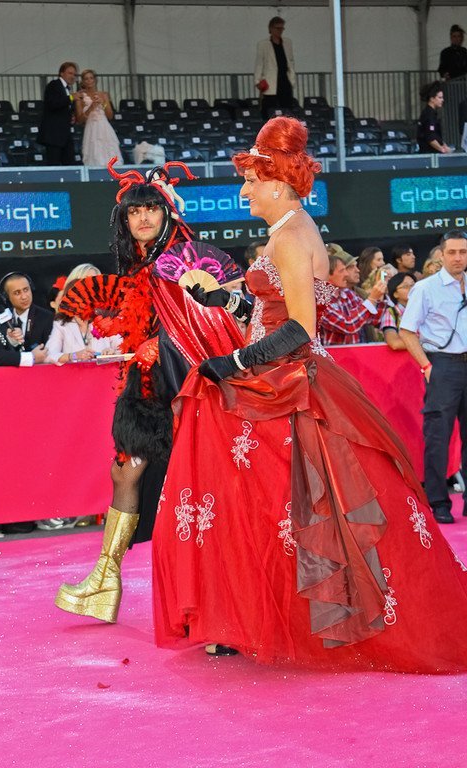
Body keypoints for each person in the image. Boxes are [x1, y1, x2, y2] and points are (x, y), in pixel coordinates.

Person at [152, 116, 467, 674]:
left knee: (281, 502)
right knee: (271, 502)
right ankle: (248, 616)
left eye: (251, 181)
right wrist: (225, 302)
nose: (243, 191)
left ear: (277, 183)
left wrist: (234, 362)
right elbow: (271, 311)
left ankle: (263, 618)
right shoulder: (286, 231)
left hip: (290, 383)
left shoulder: (294, 237)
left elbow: (300, 327)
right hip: (280, 378)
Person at [54, 162, 203, 621]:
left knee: (183, 483)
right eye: (134, 211)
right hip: (145, 385)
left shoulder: (183, 257)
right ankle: (105, 580)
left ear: (167, 212)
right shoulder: (140, 262)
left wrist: (162, 343)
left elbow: (206, 316)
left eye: (151, 209)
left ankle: (192, 590)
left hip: (180, 384)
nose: (142, 217)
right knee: (125, 472)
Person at [400, 230, 467, 525]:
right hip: (442, 365)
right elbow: (406, 330)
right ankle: (439, 501)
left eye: (463, 252)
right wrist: (427, 366)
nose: (458, 258)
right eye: (452, 252)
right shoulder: (426, 288)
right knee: (438, 437)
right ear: (441, 254)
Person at [320, 248, 387, 345]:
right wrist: (372, 299)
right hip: (335, 355)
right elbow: (348, 325)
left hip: (356, 353)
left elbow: (374, 319)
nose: (346, 274)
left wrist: (379, 296)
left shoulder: (348, 294)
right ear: (327, 275)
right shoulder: (321, 301)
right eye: (342, 271)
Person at [74, 69, 122, 166]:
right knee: (94, 153)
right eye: (86, 79)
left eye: (91, 78)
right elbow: (79, 119)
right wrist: (90, 108)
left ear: (95, 80)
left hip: (104, 127)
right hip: (91, 127)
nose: (89, 81)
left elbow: (110, 115)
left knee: (109, 152)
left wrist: (103, 103)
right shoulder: (80, 97)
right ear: (83, 81)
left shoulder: (103, 94)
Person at [0, 272, 53, 351]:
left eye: (26, 290)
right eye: (17, 293)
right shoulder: (2, 319)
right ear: (7, 297)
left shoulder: (47, 318)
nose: (24, 297)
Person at [254, 17, 296, 120]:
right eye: (277, 28)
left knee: (287, 109)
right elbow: (259, 64)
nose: (280, 31)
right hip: (270, 82)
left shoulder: (287, 42)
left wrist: (292, 79)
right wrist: (257, 81)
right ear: (271, 29)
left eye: (282, 28)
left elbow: (290, 61)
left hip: (285, 81)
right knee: (269, 108)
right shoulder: (263, 44)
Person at [39, 61, 78, 165]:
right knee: (54, 163)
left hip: (64, 134)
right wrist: (71, 98)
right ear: (61, 73)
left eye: (74, 74)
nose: (72, 76)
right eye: (70, 73)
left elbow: (62, 107)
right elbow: (52, 104)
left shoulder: (67, 89)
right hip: (54, 135)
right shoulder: (54, 85)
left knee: (70, 163)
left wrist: (71, 115)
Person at [380, 272, 417, 351]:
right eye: (406, 286)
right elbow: (395, 343)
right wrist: (427, 342)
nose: (412, 289)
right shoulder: (391, 313)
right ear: (395, 294)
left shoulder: (427, 309)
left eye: (413, 285)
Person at [416, 81, 453, 155]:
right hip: (429, 154)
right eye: (440, 97)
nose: (442, 100)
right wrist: (442, 149)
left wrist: (444, 145)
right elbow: (430, 137)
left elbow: (435, 136)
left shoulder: (431, 113)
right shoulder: (429, 114)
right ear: (432, 99)